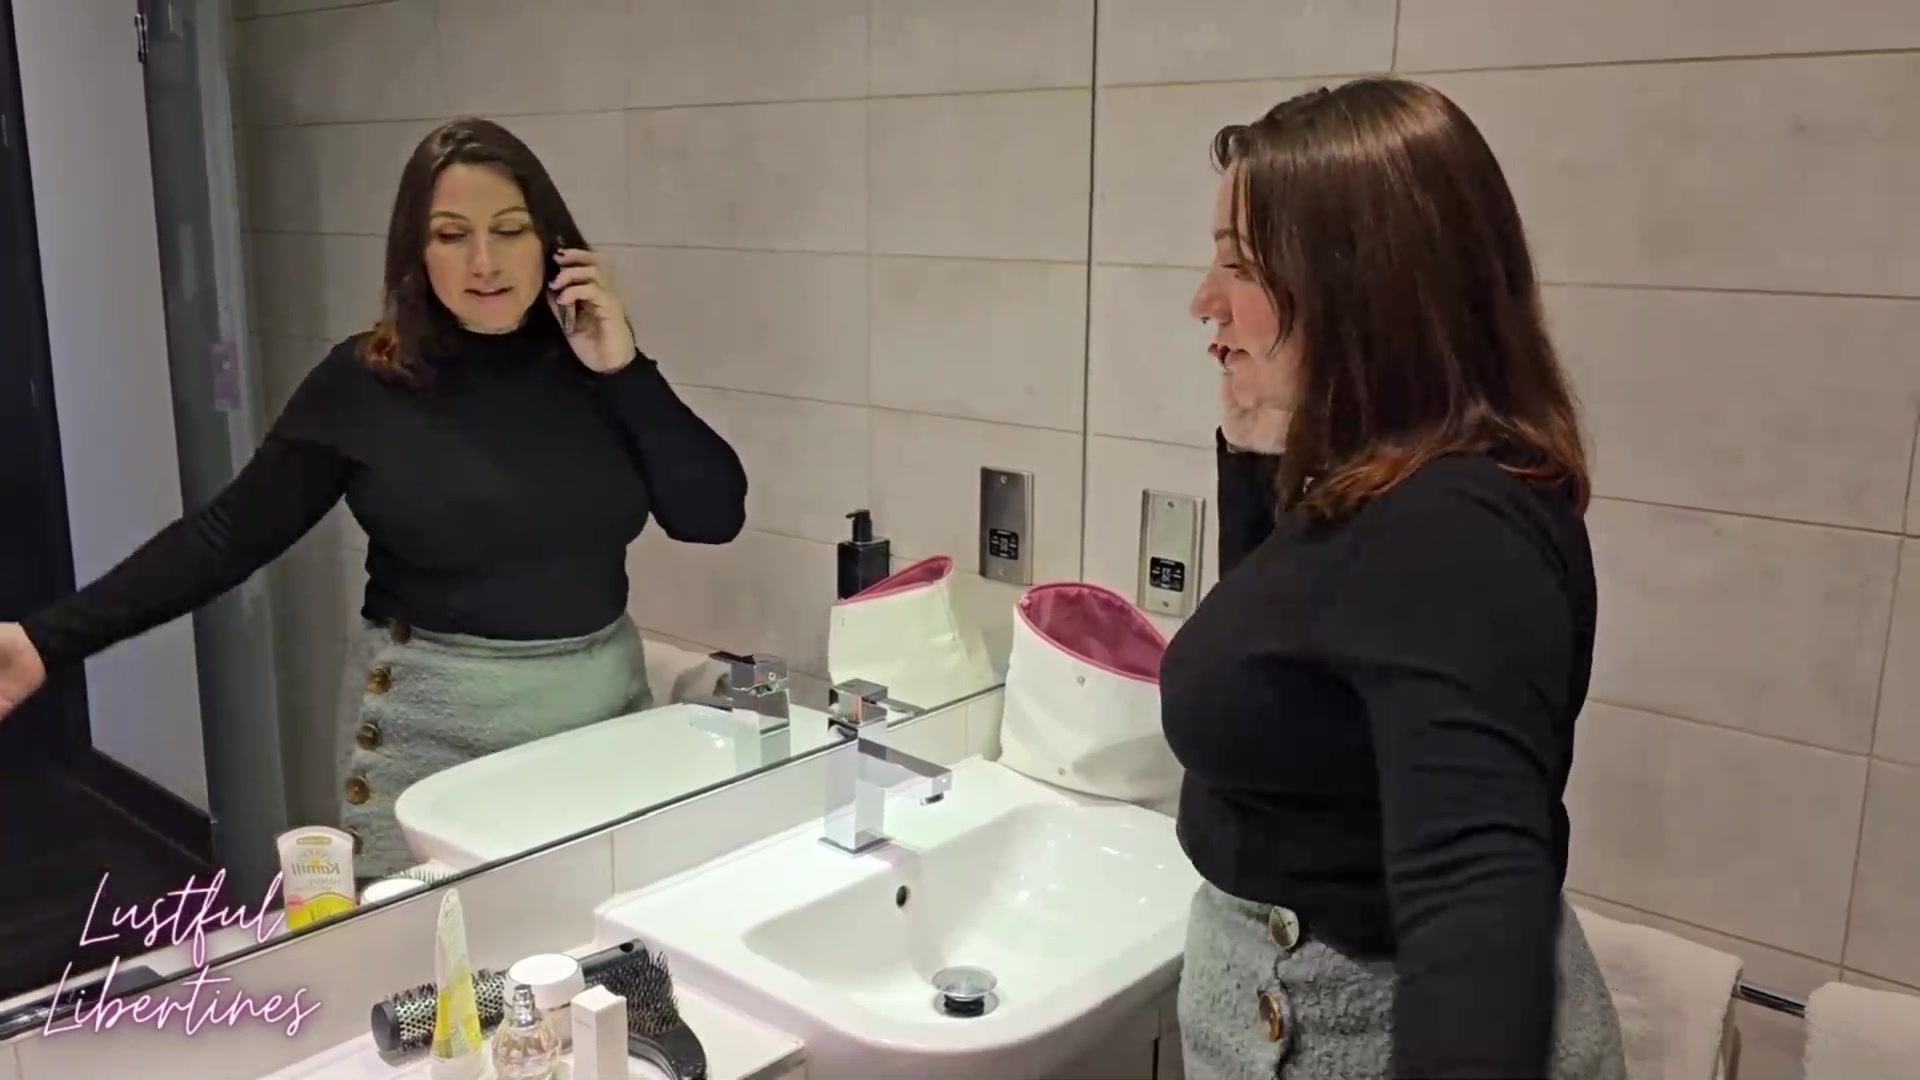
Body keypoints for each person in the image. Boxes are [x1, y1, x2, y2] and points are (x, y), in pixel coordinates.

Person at [0, 118, 748, 881]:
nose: (484, 261)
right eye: (451, 235)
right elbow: (226, 536)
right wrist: (45, 640)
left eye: (509, 230)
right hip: (435, 740)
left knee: (597, 936)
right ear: (416, 253)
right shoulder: (366, 383)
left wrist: (626, 368)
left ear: (552, 245)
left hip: (599, 728)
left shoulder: (598, 369)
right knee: (435, 953)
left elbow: (713, 517)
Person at [1160, 79, 1628, 1080]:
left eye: (1238, 265)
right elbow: (1287, 678)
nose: (1205, 301)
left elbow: (1475, 898)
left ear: (1357, 287)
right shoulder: (1388, 485)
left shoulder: (1454, 527)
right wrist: (1259, 466)